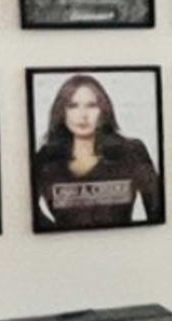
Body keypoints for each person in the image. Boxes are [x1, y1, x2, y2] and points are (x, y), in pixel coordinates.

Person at [33, 72, 160, 227]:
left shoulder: (131, 151)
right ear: (61, 112)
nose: (83, 115)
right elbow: (24, 210)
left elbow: (157, 209)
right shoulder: (46, 157)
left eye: (91, 106)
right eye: (73, 106)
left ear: (104, 110)